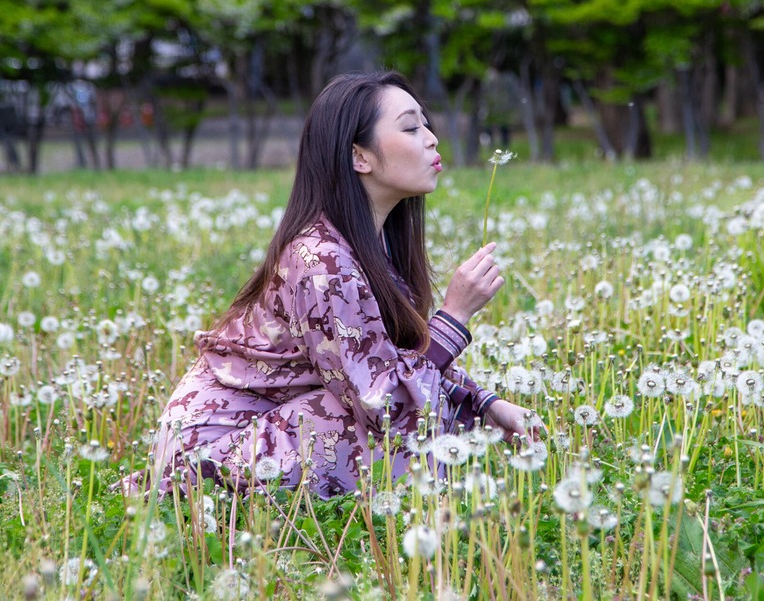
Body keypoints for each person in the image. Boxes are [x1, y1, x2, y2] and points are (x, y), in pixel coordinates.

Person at [132, 71, 538, 498]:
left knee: (425, 413)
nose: (432, 138)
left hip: (269, 431)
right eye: (410, 127)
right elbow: (382, 404)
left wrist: (484, 404)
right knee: (404, 430)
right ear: (359, 157)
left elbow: (395, 357)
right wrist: (455, 316)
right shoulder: (321, 260)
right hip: (208, 459)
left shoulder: (371, 243)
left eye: (427, 123)